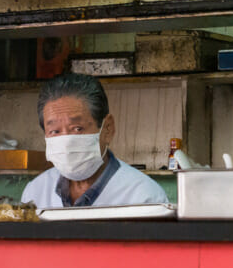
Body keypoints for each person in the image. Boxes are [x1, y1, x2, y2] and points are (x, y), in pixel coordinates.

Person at [21, 73, 168, 209]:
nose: (66, 142)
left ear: (107, 129)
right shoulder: (35, 194)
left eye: (77, 128)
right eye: (55, 131)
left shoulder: (144, 198)